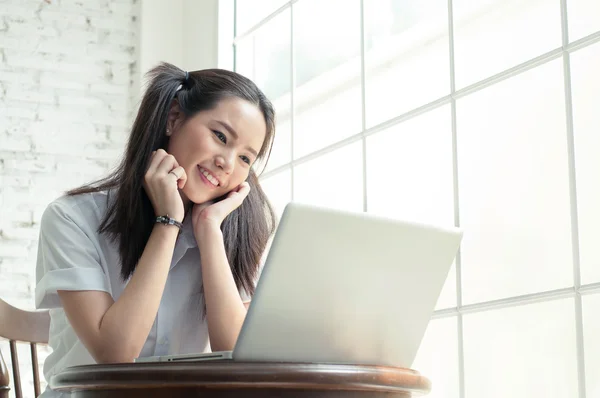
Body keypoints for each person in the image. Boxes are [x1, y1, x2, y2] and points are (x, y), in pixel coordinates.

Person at [34, 62, 277, 397]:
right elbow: (115, 355)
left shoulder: (229, 235)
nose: (228, 163)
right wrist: (168, 222)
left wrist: (209, 233)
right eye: (220, 137)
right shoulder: (71, 218)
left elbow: (237, 360)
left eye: (246, 159)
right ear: (173, 117)